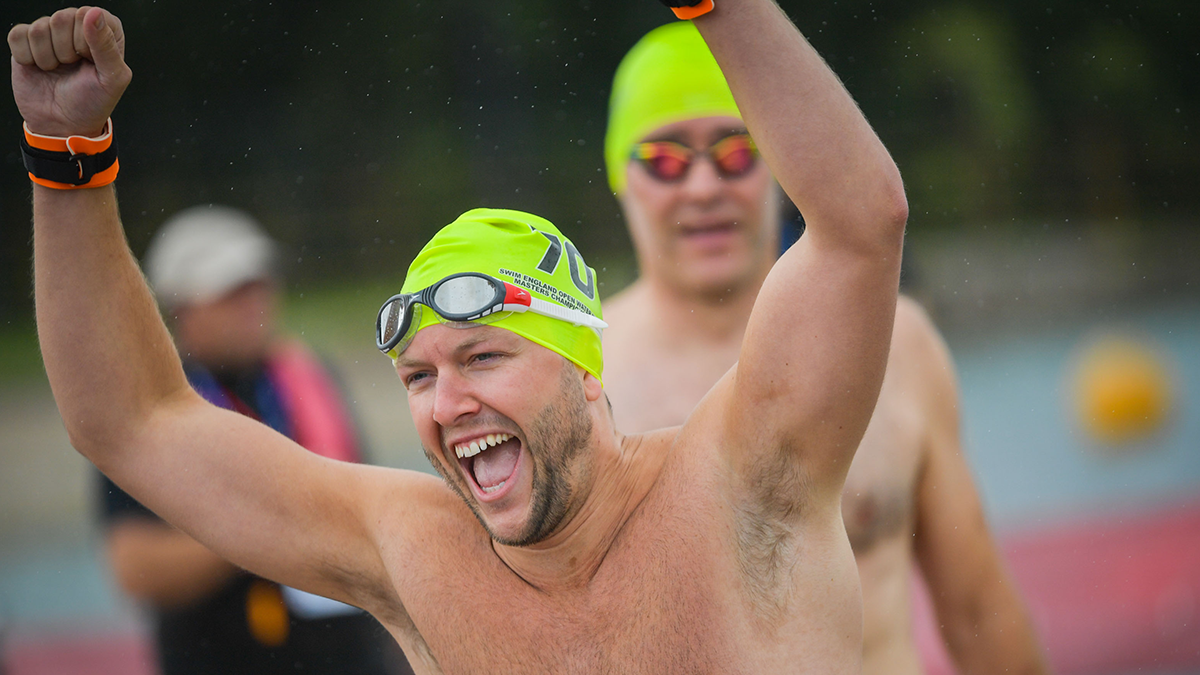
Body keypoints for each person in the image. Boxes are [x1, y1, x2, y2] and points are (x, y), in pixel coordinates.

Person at [11, 2, 906, 672]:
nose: (447, 403)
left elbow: (861, 223)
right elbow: (130, 419)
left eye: (483, 355)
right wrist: (67, 154)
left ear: (584, 366)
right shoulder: (414, 552)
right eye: (416, 375)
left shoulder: (743, 480)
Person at [599, 23, 1049, 675]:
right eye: (666, 160)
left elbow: (977, 609)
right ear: (620, 176)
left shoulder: (898, 345)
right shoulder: (582, 379)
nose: (702, 188)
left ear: (779, 164)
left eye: (736, 151)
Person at [95, 206, 412, 674]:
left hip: (348, 656)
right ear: (180, 307)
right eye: (230, 290)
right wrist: (265, 520)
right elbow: (138, 568)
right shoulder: (147, 410)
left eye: (259, 283)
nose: (254, 302)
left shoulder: (309, 377)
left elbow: (364, 512)